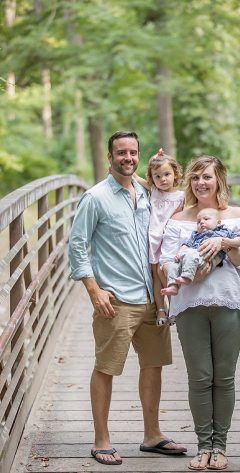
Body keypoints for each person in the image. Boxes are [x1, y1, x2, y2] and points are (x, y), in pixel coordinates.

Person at [68, 131, 187, 466]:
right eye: (121, 153)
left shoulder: (149, 191)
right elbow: (77, 246)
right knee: (106, 367)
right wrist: (94, 290)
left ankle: (152, 435)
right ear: (110, 157)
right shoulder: (95, 198)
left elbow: (179, 191)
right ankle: (101, 440)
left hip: (153, 296)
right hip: (116, 299)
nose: (127, 158)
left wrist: (159, 165)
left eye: (133, 152)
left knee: (154, 365)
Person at [159, 155, 240, 471]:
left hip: (230, 304)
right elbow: (164, 263)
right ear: (189, 182)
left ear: (220, 181)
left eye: (208, 177)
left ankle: (220, 447)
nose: (201, 183)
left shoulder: (238, 217)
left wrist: (225, 243)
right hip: (191, 306)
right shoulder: (178, 219)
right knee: (200, 377)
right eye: (196, 177)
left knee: (224, 377)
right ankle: (203, 446)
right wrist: (187, 272)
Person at [135, 149, 185, 324]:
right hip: (154, 240)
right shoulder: (154, 191)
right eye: (157, 176)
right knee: (156, 274)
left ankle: (174, 307)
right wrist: (152, 160)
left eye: (167, 174)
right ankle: (161, 310)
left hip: (171, 241)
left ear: (175, 174)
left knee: (167, 272)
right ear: (152, 179)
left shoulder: (182, 196)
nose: (163, 179)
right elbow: (136, 178)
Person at [161, 207, 240, 299]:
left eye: (206, 219)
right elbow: (186, 245)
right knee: (174, 265)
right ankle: (173, 286)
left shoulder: (225, 231)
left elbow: (238, 241)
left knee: (191, 254)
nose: (201, 222)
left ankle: (187, 277)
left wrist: (225, 242)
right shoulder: (195, 234)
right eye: (198, 222)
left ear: (218, 222)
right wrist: (179, 254)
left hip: (209, 257)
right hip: (191, 257)